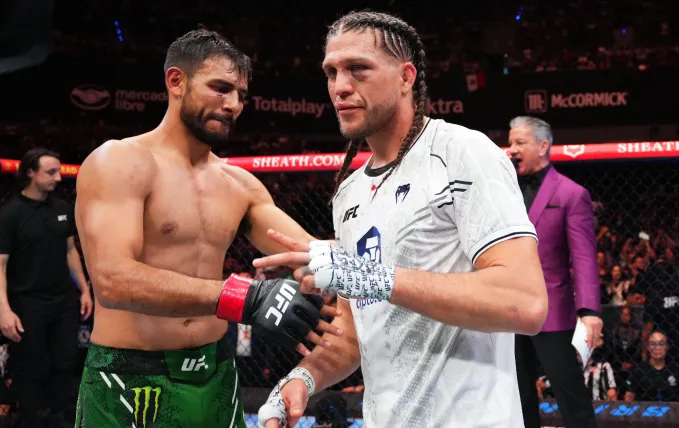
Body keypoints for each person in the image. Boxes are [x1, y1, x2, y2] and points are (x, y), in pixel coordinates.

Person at [253, 11, 548, 428]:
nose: (340, 86)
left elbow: (525, 302)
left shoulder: (462, 152)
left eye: (358, 69)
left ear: (407, 76)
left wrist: (374, 276)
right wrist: (304, 377)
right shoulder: (349, 192)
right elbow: (359, 335)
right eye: (331, 71)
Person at [72, 29, 340, 428]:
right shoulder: (119, 162)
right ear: (176, 81)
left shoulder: (240, 185)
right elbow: (112, 280)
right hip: (130, 377)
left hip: (216, 373)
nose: (233, 104)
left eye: (242, 96)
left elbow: (316, 255)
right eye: (220, 88)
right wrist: (244, 298)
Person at [507, 116, 602, 428]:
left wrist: (588, 311)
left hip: (553, 311)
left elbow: (584, 257)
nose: (512, 149)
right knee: (518, 397)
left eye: (520, 142)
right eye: (511, 142)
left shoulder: (571, 194)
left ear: (543, 146)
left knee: (570, 394)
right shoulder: (504, 190)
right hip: (508, 309)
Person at [0, 148, 93, 428]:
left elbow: (70, 252)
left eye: (58, 171)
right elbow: (0, 266)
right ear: (30, 173)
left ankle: (61, 418)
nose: (58, 177)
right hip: (27, 302)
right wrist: (4, 310)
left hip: (63, 300)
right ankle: (29, 419)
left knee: (65, 361)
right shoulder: (10, 214)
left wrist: (85, 289)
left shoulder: (62, 209)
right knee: (31, 366)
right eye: (50, 172)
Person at [625, 331, 679, 403]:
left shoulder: (676, 369)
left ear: (667, 347)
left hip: (671, 412)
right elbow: (629, 396)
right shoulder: (638, 370)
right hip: (644, 412)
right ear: (648, 347)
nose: (657, 348)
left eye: (661, 344)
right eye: (653, 344)